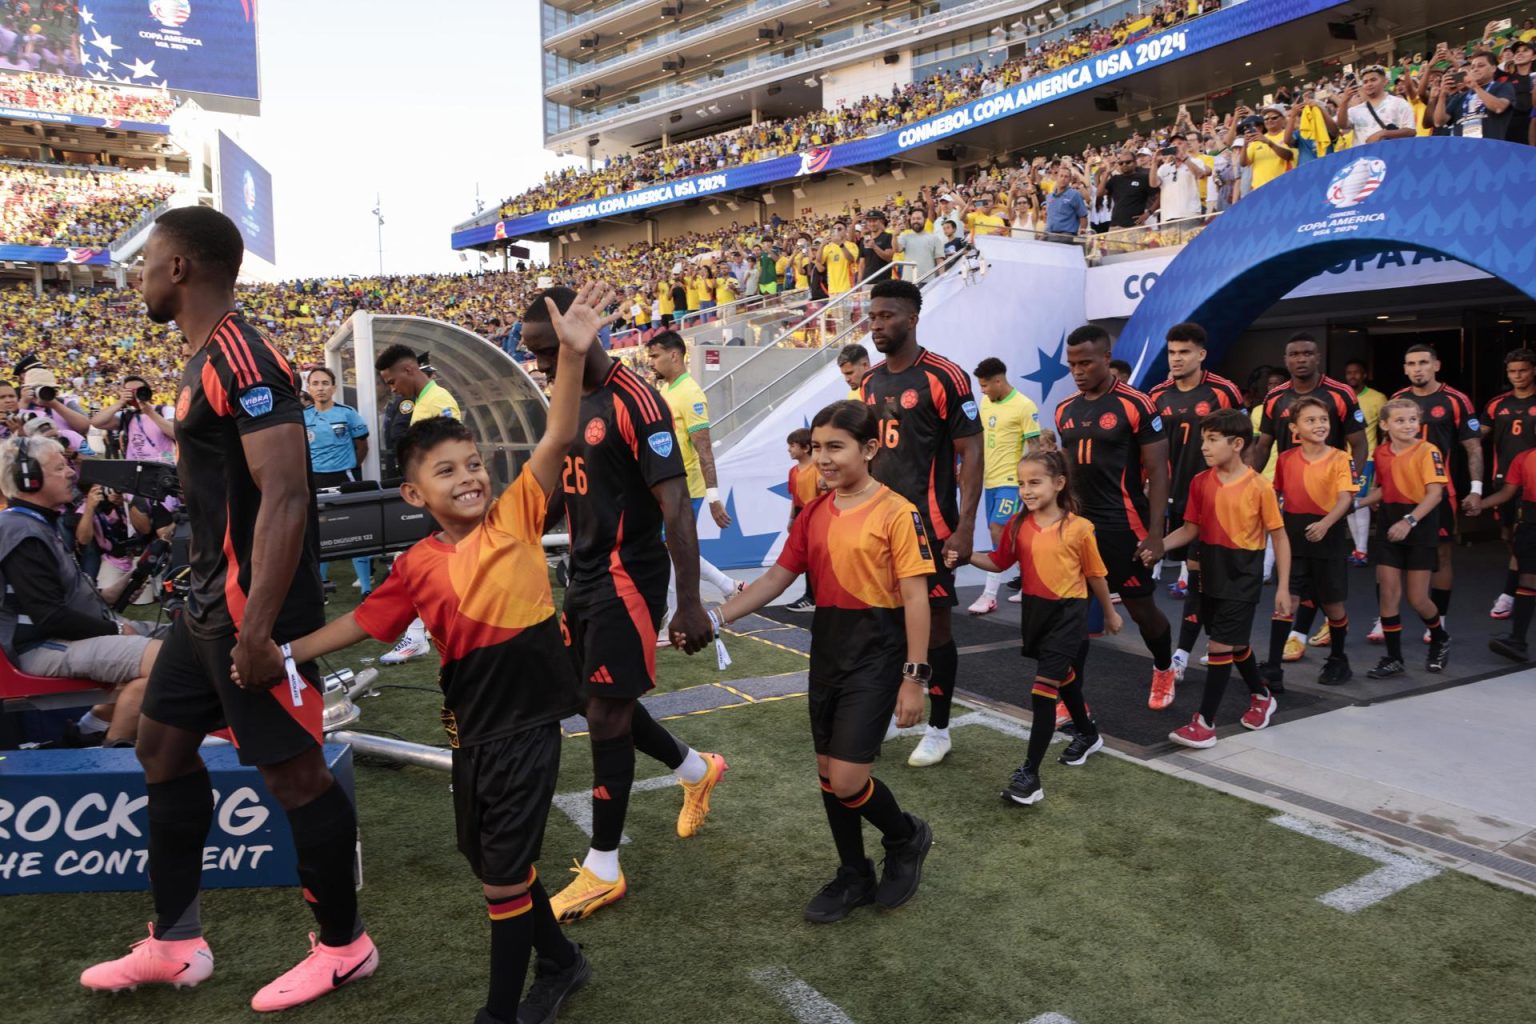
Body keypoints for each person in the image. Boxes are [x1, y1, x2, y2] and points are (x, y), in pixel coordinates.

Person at [259, 284, 611, 1024]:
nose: (471, 476)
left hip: (527, 729)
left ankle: (500, 1013)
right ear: (414, 496)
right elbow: (364, 621)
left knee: (502, 883)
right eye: (447, 471)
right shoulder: (417, 563)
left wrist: (571, 360)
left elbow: (553, 438)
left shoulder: (515, 517)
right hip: (470, 732)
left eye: (474, 462)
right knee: (487, 863)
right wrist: (284, 650)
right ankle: (564, 961)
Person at [80, 207, 375, 1011]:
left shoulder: (242, 355)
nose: (137, 275)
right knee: (161, 750)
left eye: (147, 261)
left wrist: (257, 632)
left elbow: (286, 497)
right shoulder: (201, 356)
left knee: (297, 778)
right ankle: (175, 944)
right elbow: (230, 489)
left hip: (254, 617)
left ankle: (346, 948)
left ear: (179, 267)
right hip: (205, 609)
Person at [520, 286, 724, 924]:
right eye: (535, 355)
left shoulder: (639, 401)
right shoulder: (565, 399)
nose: (543, 366)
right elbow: (565, 484)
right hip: (582, 577)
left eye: (547, 352)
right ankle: (696, 768)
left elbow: (674, 506)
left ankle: (603, 868)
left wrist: (687, 603)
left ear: (584, 334)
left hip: (628, 580)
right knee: (595, 700)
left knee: (605, 716)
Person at [703, 400, 934, 923]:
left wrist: (914, 678)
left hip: (878, 655)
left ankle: (905, 836)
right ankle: (854, 874)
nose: (822, 460)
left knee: (851, 780)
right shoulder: (812, 514)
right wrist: (717, 617)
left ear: (870, 449)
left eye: (836, 448)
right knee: (829, 775)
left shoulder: (899, 512)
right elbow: (773, 581)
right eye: (816, 449)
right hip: (828, 651)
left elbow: (917, 598)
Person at [859, 279, 982, 767]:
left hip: (928, 527)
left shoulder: (945, 376)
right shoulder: (868, 381)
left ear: (911, 319)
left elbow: (971, 453)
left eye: (886, 316)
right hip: (876, 525)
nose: (876, 325)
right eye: (872, 317)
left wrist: (966, 527)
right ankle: (896, 709)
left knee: (936, 629)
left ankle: (939, 727)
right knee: (886, 623)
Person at [955, 449, 1118, 803]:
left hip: (1069, 615)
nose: (1026, 490)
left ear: (1058, 484)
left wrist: (1110, 613)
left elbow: (1096, 575)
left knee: (1043, 691)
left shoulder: (1079, 528)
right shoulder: (1018, 524)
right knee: (1066, 681)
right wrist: (964, 554)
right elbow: (999, 563)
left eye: (1035, 482)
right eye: (1020, 483)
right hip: (1036, 615)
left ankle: (1030, 776)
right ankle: (1088, 734)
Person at [0, 437, 162, 747]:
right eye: (59, 467)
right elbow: (50, 617)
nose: (71, 473)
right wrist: (115, 628)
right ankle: (110, 756)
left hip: (55, 639)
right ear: (28, 478)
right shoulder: (21, 530)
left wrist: (125, 584)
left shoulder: (35, 525)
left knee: (183, 643)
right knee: (167, 661)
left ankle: (89, 730)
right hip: (35, 648)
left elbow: (64, 599)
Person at [1055, 325, 1177, 709]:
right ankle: (1073, 698)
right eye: (1072, 364)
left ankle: (1163, 667)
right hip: (1076, 527)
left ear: (1107, 359)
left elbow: (1159, 473)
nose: (1077, 371)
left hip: (1124, 527)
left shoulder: (1136, 404)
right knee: (1072, 613)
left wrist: (1156, 534)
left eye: (1086, 362)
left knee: (1143, 611)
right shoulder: (1064, 409)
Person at [1158, 408, 1289, 749]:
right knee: (1235, 643)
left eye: (1212, 440)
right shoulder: (1200, 482)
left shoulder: (1260, 486)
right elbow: (1189, 530)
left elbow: (1280, 536)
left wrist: (1284, 587)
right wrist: (1155, 547)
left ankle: (1205, 723)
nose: (1204, 447)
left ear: (1237, 444)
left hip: (1243, 574)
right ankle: (1262, 696)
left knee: (1218, 647)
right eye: (1204, 439)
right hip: (1210, 569)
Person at [1249, 333, 1366, 668]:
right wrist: (1248, 488)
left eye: (1307, 353)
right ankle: (1275, 662)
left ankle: (1337, 658)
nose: (1301, 359)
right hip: (1295, 517)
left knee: (1330, 596)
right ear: (1286, 360)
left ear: (1318, 357)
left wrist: (1351, 485)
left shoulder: (1340, 394)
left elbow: (1358, 443)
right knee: (1292, 590)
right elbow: (1263, 446)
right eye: (1294, 354)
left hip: (1330, 509)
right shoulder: (1275, 398)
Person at [1147, 323, 1244, 679]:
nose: (1176, 359)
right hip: (1168, 500)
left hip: (1211, 501)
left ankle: (1182, 656)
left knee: (1202, 578)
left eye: (1184, 352)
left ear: (1201, 355)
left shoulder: (1224, 392)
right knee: (1181, 577)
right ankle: (1209, 646)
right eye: (1172, 352)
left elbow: (1241, 444)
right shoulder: (1157, 395)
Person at [645, 330, 746, 639]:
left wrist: (714, 497)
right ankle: (729, 586)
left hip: (686, 487)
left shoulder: (690, 394)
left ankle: (673, 622)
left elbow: (704, 448)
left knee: (676, 551)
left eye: (655, 356)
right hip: (669, 485)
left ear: (674, 355)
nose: (651, 362)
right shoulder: (669, 391)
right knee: (674, 549)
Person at [374, 344, 462, 664]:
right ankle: (425, 631)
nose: (391, 388)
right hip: (436, 499)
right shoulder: (421, 402)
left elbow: (447, 456)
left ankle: (416, 634)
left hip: (444, 501)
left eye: (392, 381)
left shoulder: (437, 401)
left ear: (409, 370)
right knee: (434, 568)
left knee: (424, 567)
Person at [1266, 397, 1358, 687]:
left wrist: (1325, 524)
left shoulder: (1341, 457)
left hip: (1328, 536)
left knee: (1333, 604)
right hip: (1294, 538)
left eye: (1323, 420)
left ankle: (1338, 659)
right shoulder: (1285, 459)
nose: (1319, 425)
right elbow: (1274, 497)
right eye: (1311, 420)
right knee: (1286, 600)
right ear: (1294, 427)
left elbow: (1346, 497)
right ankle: (1272, 667)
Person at [1357, 399, 1451, 678]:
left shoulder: (1427, 451)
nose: (1408, 425)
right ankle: (1393, 657)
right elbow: (1384, 490)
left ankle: (1440, 638)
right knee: (1388, 592)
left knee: (1417, 598)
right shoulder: (1381, 453)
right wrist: (1354, 504)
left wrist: (1409, 521)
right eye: (1400, 420)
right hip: (1389, 525)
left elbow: (1435, 494)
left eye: (1412, 419)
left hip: (1418, 525)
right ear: (1384, 425)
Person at [1393, 344, 1481, 641]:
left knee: (1441, 557)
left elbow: (1473, 447)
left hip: (1440, 492)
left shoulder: (1455, 400)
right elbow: (1385, 449)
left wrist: (1477, 489)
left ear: (1436, 365)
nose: (1417, 368)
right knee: (1392, 559)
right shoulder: (1398, 400)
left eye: (1422, 362)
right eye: (1411, 363)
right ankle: (1385, 620)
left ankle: (1439, 620)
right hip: (1400, 491)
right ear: (1405, 368)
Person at [968, 356, 1041, 615]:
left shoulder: (1024, 406)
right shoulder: (986, 403)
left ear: (999, 381)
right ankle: (1029, 579)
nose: (983, 391)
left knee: (999, 529)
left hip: (1011, 481)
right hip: (989, 481)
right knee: (1001, 532)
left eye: (986, 386)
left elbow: (1035, 447)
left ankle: (989, 595)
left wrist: (1032, 484)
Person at [303, 367, 374, 598]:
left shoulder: (348, 413)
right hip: (315, 479)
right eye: (315, 383)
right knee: (319, 531)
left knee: (356, 528)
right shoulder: (302, 418)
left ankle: (366, 588)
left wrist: (352, 466)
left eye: (325, 383)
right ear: (309, 388)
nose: (320, 387)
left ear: (333, 387)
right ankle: (320, 585)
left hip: (345, 477)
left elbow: (362, 445)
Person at [1481, 349, 1536, 620]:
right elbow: (1476, 438)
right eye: (1513, 371)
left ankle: (1510, 593)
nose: (1518, 376)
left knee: (1523, 538)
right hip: (1503, 480)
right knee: (1509, 537)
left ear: (1533, 370)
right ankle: (1521, 585)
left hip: (1532, 484)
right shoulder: (1496, 404)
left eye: (1523, 370)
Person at [1472, 446, 1536, 661]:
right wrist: (1480, 504)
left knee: (1528, 580)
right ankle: (1518, 641)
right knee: (1527, 579)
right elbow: (1507, 492)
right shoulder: (1523, 457)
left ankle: (1518, 641)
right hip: (1531, 523)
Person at [1343, 359, 1386, 567]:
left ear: (1365, 375)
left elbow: (1386, 432)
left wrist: (1381, 458)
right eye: (1349, 373)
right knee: (1348, 502)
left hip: (1367, 458)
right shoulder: (1343, 396)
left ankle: (1362, 550)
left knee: (1360, 503)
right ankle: (1357, 548)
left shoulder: (1377, 398)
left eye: (1356, 372)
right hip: (1343, 459)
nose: (1353, 376)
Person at [89, 373, 176, 463]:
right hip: (134, 470)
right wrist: (120, 402)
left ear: (148, 391)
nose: (135, 394)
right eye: (130, 391)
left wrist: (150, 413)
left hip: (162, 469)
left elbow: (176, 433)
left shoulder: (165, 410)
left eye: (139, 390)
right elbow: (96, 422)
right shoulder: (127, 416)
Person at [1433, 49, 1515, 138]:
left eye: (1481, 66)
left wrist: (1475, 87)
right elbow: (1439, 122)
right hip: (1464, 147)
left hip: (1491, 146)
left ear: (1493, 68)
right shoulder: (1460, 96)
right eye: (1472, 67)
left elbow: (1499, 107)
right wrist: (1442, 95)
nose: (1475, 69)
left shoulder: (1502, 86)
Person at [783, 426, 820, 613]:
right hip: (800, 514)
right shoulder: (793, 471)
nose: (789, 449)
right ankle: (810, 596)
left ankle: (813, 596)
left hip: (814, 514)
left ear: (805, 448)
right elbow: (795, 498)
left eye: (792, 446)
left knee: (815, 557)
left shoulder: (817, 469)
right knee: (805, 557)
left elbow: (823, 495)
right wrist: (791, 519)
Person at [1338, 64, 1418, 143]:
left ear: (1385, 81)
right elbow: (1342, 125)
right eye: (1365, 82)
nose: (1369, 84)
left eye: (1373, 80)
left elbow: (1411, 131)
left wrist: (1383, 134)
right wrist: (1344, 102)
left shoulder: (1399, 103)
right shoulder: (1354, 111)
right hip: (1364, 155)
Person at [1150, 135, 1209, 224]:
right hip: (1167, 217)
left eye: (1180, 143)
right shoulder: (1164, 167)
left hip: (1189, 214)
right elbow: (1153, 184)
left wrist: (1184, 158)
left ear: (1187, 145)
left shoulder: (1196, 161)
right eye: (1173, 144)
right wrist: (1154, 163)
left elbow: (1200, 174)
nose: (1176, 146)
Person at [1042, 162, 1088, 242]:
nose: (1063, 179)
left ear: (1070, 180)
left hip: (1066, 236)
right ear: (1056, 177)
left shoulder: (1074, 195)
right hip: (1049, 235)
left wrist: (1081, 235)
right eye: (1061, 176)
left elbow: (1083, 216)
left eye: (1066, 177)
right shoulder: (1049, 196)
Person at [894, 207, 944, 280]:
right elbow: (897, 249)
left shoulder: (934, 238)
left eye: (918, 218)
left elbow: (939, 260)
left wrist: (942, 277)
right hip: (908, 280)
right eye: (913, 219)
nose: (915, 221)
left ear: (925, 220)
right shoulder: (904, 236)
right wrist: (894, 236)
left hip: (928, 280)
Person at [818, 222, 860, 296]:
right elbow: (819, 261)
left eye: (839, 229)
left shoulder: (851, 245)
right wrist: (821, 246)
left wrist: (840, 244)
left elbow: (851, 259)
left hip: (848, 288)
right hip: (832, 290)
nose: (837, 231)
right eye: (834, 229)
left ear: (846, 231)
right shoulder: (828, 247)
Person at [858, 210, 895, 283]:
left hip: (883, 281)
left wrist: (874, 246)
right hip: (867, 281)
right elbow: (862, 264)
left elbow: (889, 258)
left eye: (874, 221)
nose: (872, 224)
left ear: (880, 221)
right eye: (869, 221)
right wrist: (859, 282)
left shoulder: (887, 236)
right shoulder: (864, 240)